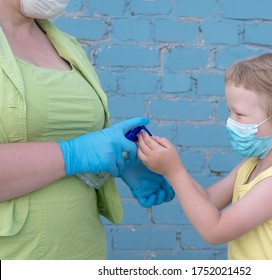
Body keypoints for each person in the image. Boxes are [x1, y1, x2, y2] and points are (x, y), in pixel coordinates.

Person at [0, 0, 174, 259]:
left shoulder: (66, 44)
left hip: (83, 250)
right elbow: (75, 151)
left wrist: (119, 159)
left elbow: (74, 140)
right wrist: (73, 154)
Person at [137, 52, 272, 260]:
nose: (230, 121)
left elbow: (215, 230)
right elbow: (208, 200)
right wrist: (166, 167)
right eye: (230, 112)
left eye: (240, 114)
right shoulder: (253, 165)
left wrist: (174, 171)